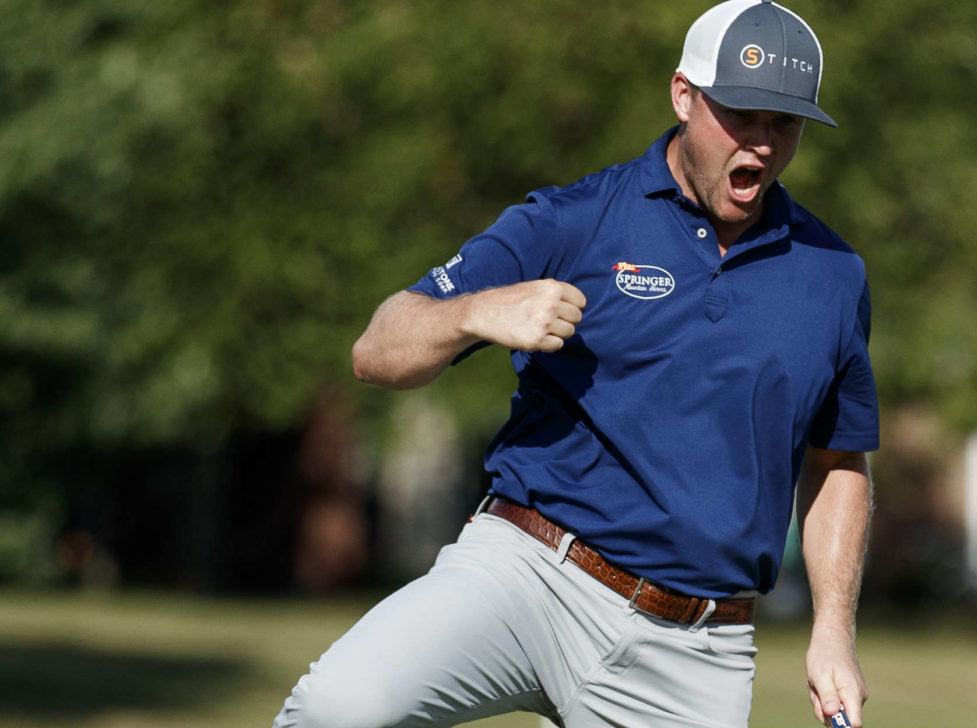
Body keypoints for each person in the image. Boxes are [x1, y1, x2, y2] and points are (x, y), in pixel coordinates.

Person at [273, 1, 878, 726]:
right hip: (527, 577)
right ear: (683, 95)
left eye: (783, 123)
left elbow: (838, 463)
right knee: (337, 709)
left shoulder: (833, 275)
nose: (761, 144)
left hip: (697, 646)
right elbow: (377, 351)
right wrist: (475, 311)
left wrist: (833, 631)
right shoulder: (574, 218)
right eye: (740, 114)